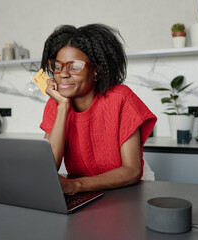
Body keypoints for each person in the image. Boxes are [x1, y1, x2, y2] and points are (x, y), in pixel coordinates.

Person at [39, 24, 156, 195]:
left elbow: (131, 171)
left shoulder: (121, 98)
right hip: (82, 190)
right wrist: (63, 106)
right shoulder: (56, 103)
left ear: (96, 71)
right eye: (58, 65)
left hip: (126, 188)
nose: (63, 74)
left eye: (75, 66)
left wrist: (76, 185)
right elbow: (50, 167)